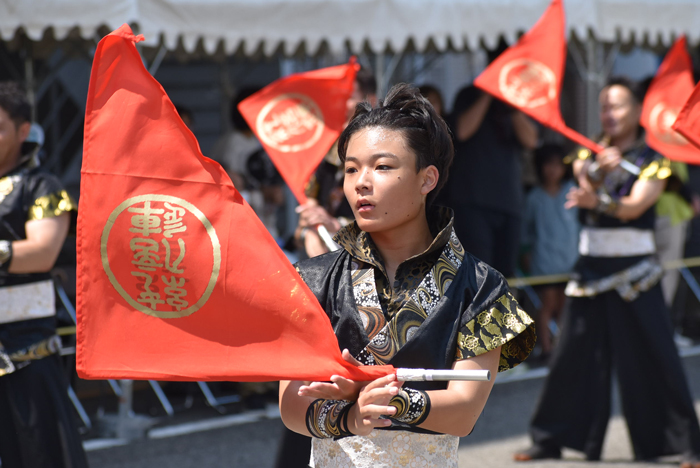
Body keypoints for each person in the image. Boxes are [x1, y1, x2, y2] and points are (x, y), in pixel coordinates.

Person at [280, 83, 535, 467]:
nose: (361, 182)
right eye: (351, 168)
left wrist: (376, 396)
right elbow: (290, 405)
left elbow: (464, 411)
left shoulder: (480, 286)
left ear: (427, 179)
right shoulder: (311, 279)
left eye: (382, 167)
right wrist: (350, 416)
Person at [514, 76, 700, 468]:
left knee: (656, 353)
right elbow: (583, 181)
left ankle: (682, 444)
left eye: (617, 106)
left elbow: (634, 207)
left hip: (637, 270)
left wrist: (597, 196)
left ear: (637, 111)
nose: (610, 114)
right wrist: (597, 173)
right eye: (604, 107)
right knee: (571, 356)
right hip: (591, 268)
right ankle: (549, 439)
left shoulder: (654, 160)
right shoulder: (589, 152)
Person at [0, 82, 88, 467]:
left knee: (39, 455)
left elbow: (42, 252)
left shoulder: (41, 186)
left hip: (24, 352)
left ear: (23, 131)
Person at [440, 84, 538, 278]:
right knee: (478, 273)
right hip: (472, 200)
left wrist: (511, 105)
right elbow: (461, 131)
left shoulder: (517, 98)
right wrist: (488, 94)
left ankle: (500, 309)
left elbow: (532, 140)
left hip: (509, 202)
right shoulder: (468, 94)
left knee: (506, 275)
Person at [294, 70, 377, 258]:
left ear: (371, 100)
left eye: (348, 98)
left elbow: (388, 220)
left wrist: (335, 224)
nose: (340, 105)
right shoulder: (324, 152)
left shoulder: (381, 150)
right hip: (332, 255)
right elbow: (309, 208)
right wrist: (310, 227)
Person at [521, 144, 579, 360]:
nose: (553, 170)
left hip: (570, 258)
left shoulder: (573, 192)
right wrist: (525, 253)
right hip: (543, 259)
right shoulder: (534, 197)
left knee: (565, 306)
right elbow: (525, 230)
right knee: (547, 304)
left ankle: (562, 348)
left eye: (558, 165)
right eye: (548, 164)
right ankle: (546, 349)